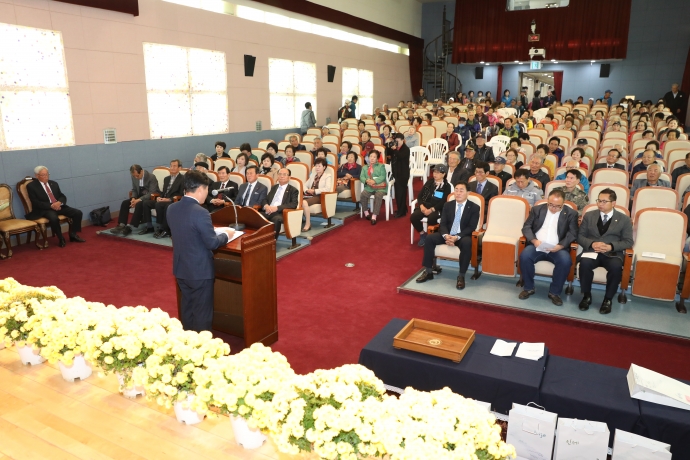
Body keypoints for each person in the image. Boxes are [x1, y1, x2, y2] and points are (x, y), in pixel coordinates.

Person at [167, 170, 232, 332]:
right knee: (202, 313)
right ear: (201, 189)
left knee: (187, 308)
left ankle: (187, 341)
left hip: (181, 268)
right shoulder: (201, 212)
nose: (207, 194)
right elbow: (212, 243)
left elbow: (185, 232)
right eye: (207, 189)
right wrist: (226, 235)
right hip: (199, 271)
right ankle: (202, 344)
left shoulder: (171, 208)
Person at [577, 188, 634, 314]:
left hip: (612, 253)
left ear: (613, 203)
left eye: (604, 201)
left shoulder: (624, 219)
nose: (600, 204)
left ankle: (608, 299)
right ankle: (586, 295)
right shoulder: (589, 215)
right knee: (585, 264)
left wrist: (610, 246)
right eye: (599, 201)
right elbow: (580, 236)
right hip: (592, 251)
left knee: (616, 267)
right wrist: (592, 243)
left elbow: (628, 241)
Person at [415, 182, 481, 290]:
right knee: (429, 238)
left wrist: (456, 237)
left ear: (468, 192)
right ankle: (428, 271)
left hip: (462, 236)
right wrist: (446, 236)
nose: (458, 193)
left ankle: (461, 276)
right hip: (447, 234)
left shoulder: (474, 207)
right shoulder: (448, 205)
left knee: (467, 243)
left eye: (461, 190)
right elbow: (443, 223)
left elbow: (471, 227)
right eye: (456, 190)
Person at [518, 189, 578, 305]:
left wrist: (561, 245)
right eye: (550, 205)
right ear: (547, 201)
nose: (553, 208)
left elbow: (573, 232)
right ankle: (528, 288)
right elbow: (526, 227)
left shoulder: (571, 213)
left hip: (557, 248)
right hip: (537, 245)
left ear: (563, 203)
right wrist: (534, 240)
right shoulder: (537, 210)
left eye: (557, 206)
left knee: (565, 261)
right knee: (525, 256)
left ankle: (554, 292)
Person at [26, 166, 86, 247]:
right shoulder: (31, 186)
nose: (46, 177)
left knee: (77, 213)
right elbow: (35, 202)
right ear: (37, 176)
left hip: (58, 206)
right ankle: (61, 238)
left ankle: (73, 234)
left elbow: (62, 195)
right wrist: (51, 205)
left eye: (47, 174)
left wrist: (59, 202)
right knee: (54, 218)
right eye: (43, 175)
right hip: (44, 209)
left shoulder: (53, 183)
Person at [111, 164, 160, 236]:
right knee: (125, 203)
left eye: (137, 176)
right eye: (134, 176)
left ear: (141, 171)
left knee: (139, 204)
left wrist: (139, 200)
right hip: (139, 196)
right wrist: (133, 198)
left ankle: (131, 226)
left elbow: (152, 192)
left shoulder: (151, 177)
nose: (136, 177)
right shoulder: (134, 177)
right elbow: (134, 190)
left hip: (150, 197)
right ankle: (122, 225)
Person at [140, 159, 184, 238]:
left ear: (180, 168)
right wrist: (160, 197)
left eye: (174, 166)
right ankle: (149, 226)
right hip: (164, 199)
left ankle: (163, 229)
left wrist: (169, 199)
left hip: (174, 201)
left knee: (160, 205)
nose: (172, 168)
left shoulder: (183, 179)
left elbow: (181, 194)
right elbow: (164, 192)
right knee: (146, 203)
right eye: (171, 166)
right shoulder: (166, 179)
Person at [412, 164, 452, 247]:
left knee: (432, 218)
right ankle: (423, 234)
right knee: (413, 217)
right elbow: (420, 196)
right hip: (425, 206)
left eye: (437, 172)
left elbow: (443, 201)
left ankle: (433, 237)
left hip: (437, 208)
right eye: (434, 172)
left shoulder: (446, 186)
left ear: (443, 174)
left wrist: (432, 209)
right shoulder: (429, 182)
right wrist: (421, 206)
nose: (434, 174)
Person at [261, 168, 299, 239]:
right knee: (256, 215)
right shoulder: (274, 187)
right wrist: (266, 206)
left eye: (284, 174)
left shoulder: (293, 190)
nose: (282, 176)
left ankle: (272, 241)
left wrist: (277, 208)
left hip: (280, 213)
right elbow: (265, 199)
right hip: (268, 211)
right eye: (280, 174)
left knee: (277, 219)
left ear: (289, 177)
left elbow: (293, 204)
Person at [301, 158, 333, 231]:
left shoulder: (327, 176)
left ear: (324, 167)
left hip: (319, 196)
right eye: (316, 166)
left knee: (304, 202)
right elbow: (304, 185)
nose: (317, 168)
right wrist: (306, 190)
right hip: (310, 195)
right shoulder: (313, 175)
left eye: (319, 166)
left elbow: (327, 189)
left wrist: (315, 191)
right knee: (297, 201)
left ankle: (308, 223)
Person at [360, 150, 387, 225]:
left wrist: (374, 181)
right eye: (371, 156)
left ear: (377, 159)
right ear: (368, 158)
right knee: (363, 195)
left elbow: (383, 176)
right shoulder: (365, 167)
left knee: (378, 195)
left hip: (380, 187)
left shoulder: (381, 166)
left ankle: (374, 215)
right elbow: (361, 177)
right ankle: (366, 212)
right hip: (369, 187)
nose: (372, 158)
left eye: (374, 157)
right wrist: (366, 181)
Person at [388, 132, 410, 218]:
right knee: (399, 193)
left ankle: (401, 212)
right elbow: (388, 154)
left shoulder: (406, 149)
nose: (396, 142)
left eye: (398, 141)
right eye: (395, 140)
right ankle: (403, 209)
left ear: (402, 140)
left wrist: (395, 150)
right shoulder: (395, 148)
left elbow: (400, 156)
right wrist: (389, 145)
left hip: (402, 174)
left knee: (400, 193)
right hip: (396, 173)